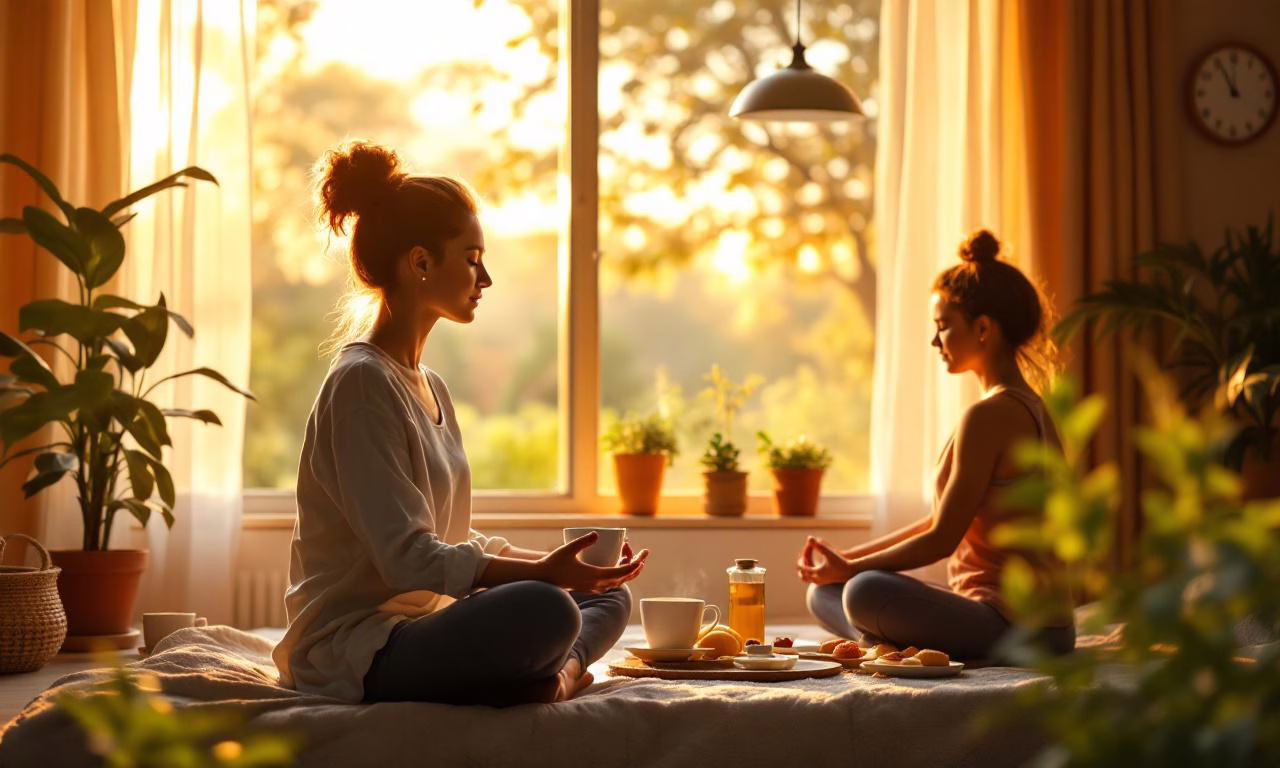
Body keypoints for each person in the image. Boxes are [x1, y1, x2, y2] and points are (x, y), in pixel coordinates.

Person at [272, 141, 648, 707]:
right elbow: (409, 560)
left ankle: (557, 675)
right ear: (420, 262)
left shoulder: (430, 385)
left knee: (604, 597)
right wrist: (542, 579)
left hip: (434, 620)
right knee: (545, 608)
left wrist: (556, 566)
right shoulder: (361, 385)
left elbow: (453, 544)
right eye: (471, 258)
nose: (486, 277)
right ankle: (556, 671)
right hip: (364, 644)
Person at [798, 229, 1074, 661]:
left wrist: (854, 568)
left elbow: (942, 539)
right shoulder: (1022, 407)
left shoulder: (992, 415)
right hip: (1017, 622)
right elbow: (939, 520)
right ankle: (890, 641)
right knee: (825, 592)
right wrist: (845, 559)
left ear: (983, 329)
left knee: (864, 589)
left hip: (1018, 626)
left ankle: (886, 642)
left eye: (943, 327)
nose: (935, 341)